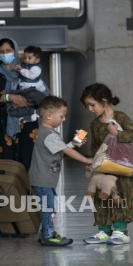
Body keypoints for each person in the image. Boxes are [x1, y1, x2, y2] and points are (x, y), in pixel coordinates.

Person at [29, 96, 93, 246]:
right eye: (61, 116)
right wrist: (86, 160)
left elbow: (61, 151)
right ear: (49, 116)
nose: (63, 119)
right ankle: (48, 234)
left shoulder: (49, 133)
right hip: (42, 180)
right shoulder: (48, 134)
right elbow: (65, 150)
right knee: (49, 207)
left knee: (48, 207)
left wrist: (76, 142)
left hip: (45, 180)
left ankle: (45, 232)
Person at [81, 83, 133, 245]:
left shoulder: (120, 117)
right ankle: (104, 231)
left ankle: (120, 231)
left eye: (92, 105)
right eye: (87, 106)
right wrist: (92, 163)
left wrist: (118, 133)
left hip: (121, 168)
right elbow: (95, 148)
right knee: (101, 199)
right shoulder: (94, 124)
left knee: (120, 196)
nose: (90, 109)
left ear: (104, 101)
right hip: (103, 169)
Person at [0, 38, 44, 170]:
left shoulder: (27, 69)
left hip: (28, 125)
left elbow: (42, 95)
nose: (5, 54)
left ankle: (29, 191)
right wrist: (9, 97)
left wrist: (27, 101)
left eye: (8, 50)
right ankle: (10, 191)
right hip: (5, 124)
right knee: (7, 165)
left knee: (29, 163)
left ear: (15, 51)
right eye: (1, 51)